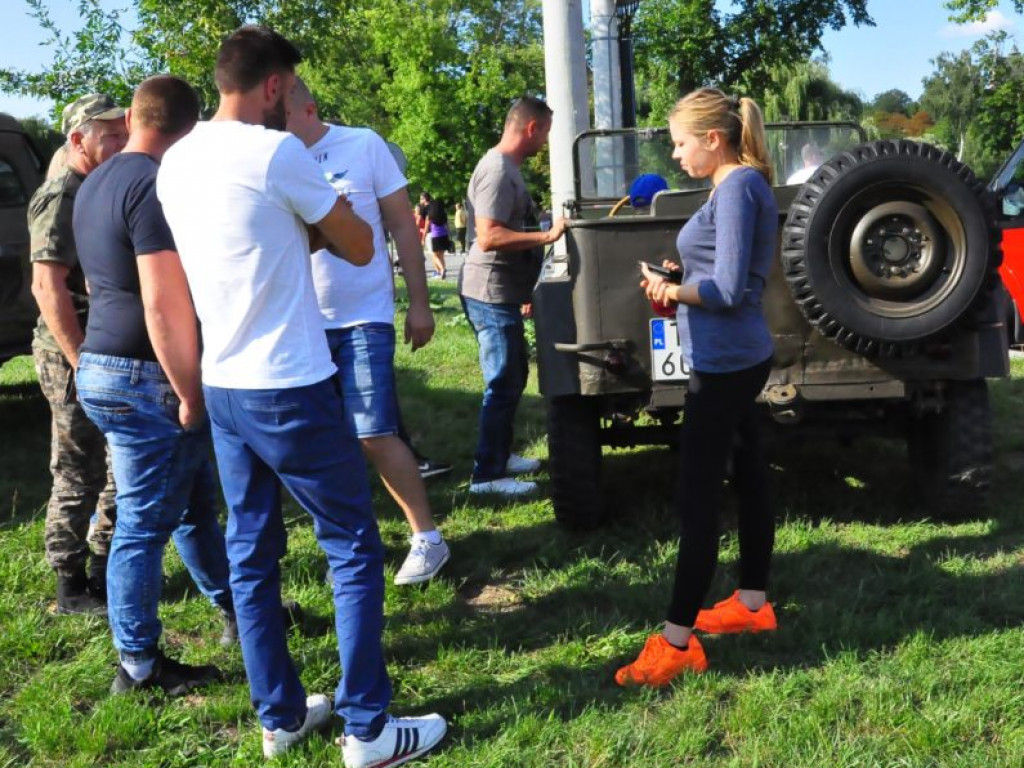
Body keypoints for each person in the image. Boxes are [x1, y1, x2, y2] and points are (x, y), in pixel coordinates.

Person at [156, 26, 446, 767]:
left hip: (224, 383)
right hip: (290, 381)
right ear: (274, 85)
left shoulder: (178, 157)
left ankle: (279, 718)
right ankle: (369, 730)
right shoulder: (277, 153)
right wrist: (323, 215)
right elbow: (359, 244)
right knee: (352, 547)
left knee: (251, 555)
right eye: (288, 89)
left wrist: (298, 228)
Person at [72, 75, 233, 695]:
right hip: (146, 375)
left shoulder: (96, 180)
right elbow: (161, 302)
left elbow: (97, 283)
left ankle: (241, 612)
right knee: (142, 526)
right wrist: (189, 391)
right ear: (188, 129)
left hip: (100, 363)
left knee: (192, 504)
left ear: (135, 118)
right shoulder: (154, 184)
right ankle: (138, 666)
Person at [617, 88, 778, 687]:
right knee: (751, 475)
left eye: (681, 142)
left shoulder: (736, 188)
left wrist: (671, 291)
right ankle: (753, 605)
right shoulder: (735, 185)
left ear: (714, 138)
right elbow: (724, 272)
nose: (676, 154)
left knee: (697, 499)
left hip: (727, 362)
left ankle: (677, 642)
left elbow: (730, 290)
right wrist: (682, 278)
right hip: (735, 355)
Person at [286, 77, 450, 585]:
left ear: (309, 108)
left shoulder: (362, 144)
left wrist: (419, 304)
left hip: (363, 315)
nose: (273, 124)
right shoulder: (273, 156)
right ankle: (352, 546)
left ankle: (428, 539)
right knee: (322, 442)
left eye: (281, 113)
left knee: (374, 431)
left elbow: (402, 225)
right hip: (301, 321)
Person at [28, 93, 127, 614]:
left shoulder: (97, 185)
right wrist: (81, 361)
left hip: (104, 347)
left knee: (117, 466)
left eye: (123, 132)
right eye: (110, 136)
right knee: (78, 469)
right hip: (73, 353)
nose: (121, 142)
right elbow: (47, 288)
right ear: (78, 140)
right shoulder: (62, 195)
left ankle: (104, 566)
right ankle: (69, 584)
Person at [460, 96, 567, 497]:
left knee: (513, 377)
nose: (546, 141)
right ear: (531, 128)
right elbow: (489, 236)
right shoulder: (497, 171)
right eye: (546, 132)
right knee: (502, 382)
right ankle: (487, 476)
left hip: (503, 292)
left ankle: (500, 456)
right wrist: (546, 236)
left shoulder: (508, 169)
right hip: (489, 292)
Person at [424, 199, 451, 279]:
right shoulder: (444, 215)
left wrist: (423, 238)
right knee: (441, 255)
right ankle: (443, 272)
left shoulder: (430, 216)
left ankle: (442, 269)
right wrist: (449, 236)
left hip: (435, 236)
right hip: (444, 236)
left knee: (435, 255)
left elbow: (426, 228)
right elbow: (448, 227)